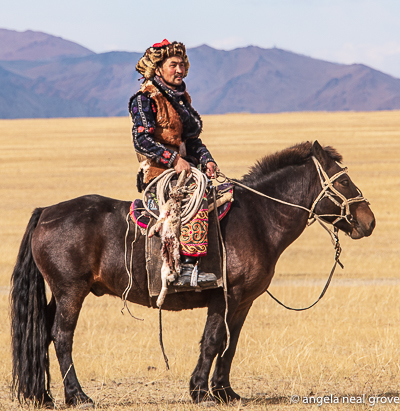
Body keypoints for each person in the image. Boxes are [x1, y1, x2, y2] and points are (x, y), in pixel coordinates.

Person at [129, 39, 218, 287]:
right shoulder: (144, 99)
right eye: (173, 65)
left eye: (182, 65)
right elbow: (141, 140)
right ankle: (184, 267)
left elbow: (192, 140)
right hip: (158, 174)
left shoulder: (180, 99)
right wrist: (173, 159)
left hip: (185, 170)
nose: (179, 70)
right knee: (193, 198)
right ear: (158, 68)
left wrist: (206, 159)